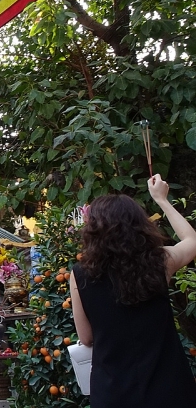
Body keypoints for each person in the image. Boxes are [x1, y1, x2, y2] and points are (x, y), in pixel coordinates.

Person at [71, 174, 196, 407]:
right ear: (139, 226)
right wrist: (162, 200)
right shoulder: (160, 262)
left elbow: (86, 337)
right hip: (169, 389)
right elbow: (191, 240)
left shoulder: (80, 274)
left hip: (112, 393)